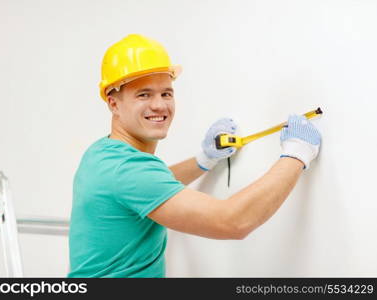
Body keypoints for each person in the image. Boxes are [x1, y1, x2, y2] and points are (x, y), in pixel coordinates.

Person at [68, 34, 321, 278]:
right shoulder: (126, 170)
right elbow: (232, 221)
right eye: (144, 94)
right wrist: (296, 154)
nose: (159, 105)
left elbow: (153, 185)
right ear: (113, 103)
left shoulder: (103, 154)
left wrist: (204, 159)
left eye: (166, 93)